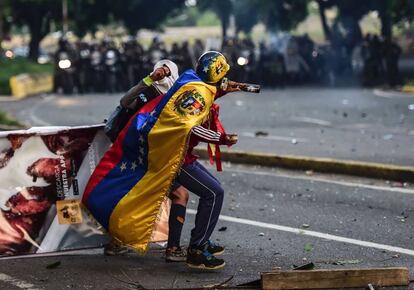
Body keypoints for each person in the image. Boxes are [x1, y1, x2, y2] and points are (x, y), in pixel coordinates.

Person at [103, 60, 190, 262]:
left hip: (148, 157)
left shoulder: (172, 98)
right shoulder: (148, 92)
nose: (163, 75)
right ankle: (173, 248)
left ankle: (116, 242)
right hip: (144, 159)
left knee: (133, 199)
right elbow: (125, 102)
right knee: (180, 195)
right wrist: (150, 80)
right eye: (162, 70)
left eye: (166, 72)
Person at [170, 51, 243, 270]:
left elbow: (203, 100)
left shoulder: (192, 81)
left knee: (214, 191)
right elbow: (190, 125)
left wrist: (222, 91)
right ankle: (196, 249)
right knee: (213, 193)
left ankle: (199, 242)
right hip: (174, 157)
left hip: (178, 153)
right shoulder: (197, 92)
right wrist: (221, 139)